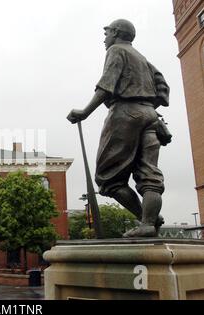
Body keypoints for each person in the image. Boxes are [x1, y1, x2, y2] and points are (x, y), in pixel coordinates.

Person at [67, 19, 170, 238]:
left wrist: (84, 112)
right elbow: (163, 88)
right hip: (151, 116)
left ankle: (146, 219)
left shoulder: (116, 50)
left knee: (108, 179)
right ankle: (149, 221)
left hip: (125, 115)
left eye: (106, 33)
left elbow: (106, 85)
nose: (105, 39)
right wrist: (147, 107)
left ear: (116, 33)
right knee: (149, 174)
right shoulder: (142, 58)